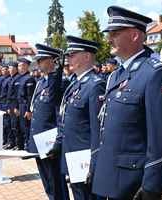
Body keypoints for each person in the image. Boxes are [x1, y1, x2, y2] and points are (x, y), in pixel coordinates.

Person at [91, 6, 162, 200]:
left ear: (135, 34)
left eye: (115, 33)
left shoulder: (155, 74)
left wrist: (152, 185)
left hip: (135, 183)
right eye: (109, 34)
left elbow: (161, 136)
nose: (109, 39)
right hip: (111, 177)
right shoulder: (116, 75)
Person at [47, 35, 106, 200]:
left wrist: (94, 167)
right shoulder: (76, 84)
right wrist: (55, 75)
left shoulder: (95, 85)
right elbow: (55, 101)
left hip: (85, 161)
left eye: (72, 55)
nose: (67, 59)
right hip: (73, 158)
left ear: (87, 56)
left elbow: (98, 131)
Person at [28, 43, 70, 200]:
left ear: (52, 61)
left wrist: (58, 144)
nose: (37, 62)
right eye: (37, 60)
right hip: (40, 143)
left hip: (51, 145)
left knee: (57, 186)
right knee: (48, 185)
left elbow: (61, 117)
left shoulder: (61, 83)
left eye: (41, 59)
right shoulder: (41, 82)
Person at [15, 57, 36, 152]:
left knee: (26, 128)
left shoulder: (29, 79)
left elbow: (30, 96)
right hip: (20, 105)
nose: (18, 67)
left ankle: (29, 148)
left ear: (26, 66)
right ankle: (24, 146)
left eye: (20, 66)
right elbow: (17, 94)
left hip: (25, 106)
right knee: (22, 128)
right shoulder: (20, 78)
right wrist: (16, 107)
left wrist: (28, 110)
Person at [5, 62, 21, 150]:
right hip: (10, 103)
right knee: (11, 124)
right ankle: (13, 142)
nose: (8, 70)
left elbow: (17, 94)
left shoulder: (17, 78)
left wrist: (16, 107)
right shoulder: (12, 78)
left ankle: (18, 144)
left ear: (15, 69)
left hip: (15, 103)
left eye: (10, 68)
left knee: (16, 125)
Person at [0, 63, 12, 147]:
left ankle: (11, 141)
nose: (2, 71)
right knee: (4, 123)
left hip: (8, 103)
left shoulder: (10, 79)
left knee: (9, 124)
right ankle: (6, 139)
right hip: (2, 103)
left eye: (4, 70)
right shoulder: (4, 79)